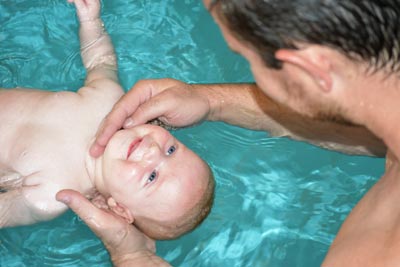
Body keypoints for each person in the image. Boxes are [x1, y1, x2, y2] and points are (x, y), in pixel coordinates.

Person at [59, 0, 400, 266]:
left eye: (247, 58)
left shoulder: (372, 255)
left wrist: (134, 257)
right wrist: (210, 100)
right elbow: (371, 133)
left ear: (311, 69)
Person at [0, 0, 215, 243]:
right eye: (171, 149)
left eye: (151, 177)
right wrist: (90, 20)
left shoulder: (51, 196)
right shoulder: (111, 103)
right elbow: (101, 64)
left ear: (119, 208)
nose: (153, 151)